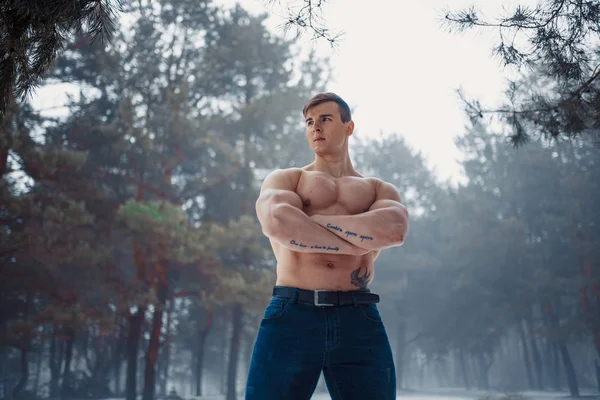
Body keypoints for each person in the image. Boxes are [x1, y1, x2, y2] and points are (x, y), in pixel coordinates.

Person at [246, 92, 409, 400]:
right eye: (309, 122)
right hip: (292, 313)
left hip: (357, 315)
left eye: (325, 119)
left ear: (349, 127)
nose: (315, 127)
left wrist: (309, 221)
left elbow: (395, 229)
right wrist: (357, 240)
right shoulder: (288, 179)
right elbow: (278, 222)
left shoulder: (377, 188)